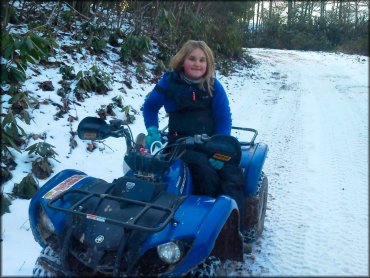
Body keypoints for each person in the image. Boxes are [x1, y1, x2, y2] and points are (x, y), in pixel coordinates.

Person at [142, 40, 246, 232]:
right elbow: (150, 107)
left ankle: (235, 227)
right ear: (182, 60)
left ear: (208, 64)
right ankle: (194, 222)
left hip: (210, 143)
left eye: (202, 60)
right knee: (202, 172)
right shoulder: (169, 82)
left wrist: (219, 147)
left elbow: (224, 119)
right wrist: (152, 130)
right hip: (180, 144)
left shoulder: (213, 86)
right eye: (192, 59)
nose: (197, 64)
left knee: (232, 174)